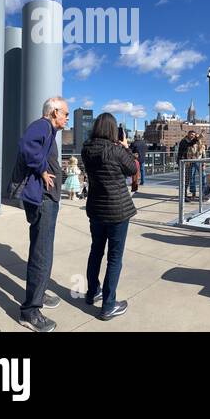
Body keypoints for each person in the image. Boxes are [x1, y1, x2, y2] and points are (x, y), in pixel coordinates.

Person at [11, 97, 69, 332]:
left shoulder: (49, 131)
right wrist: (43, 169)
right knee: (42, 253)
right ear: (54, 112)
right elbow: (26, 144)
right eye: (64, 113)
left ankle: (40, 292)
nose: (66, 117)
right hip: (42, 200)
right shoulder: (42, 125)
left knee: (43, 249)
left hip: (46, 199)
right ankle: (30, 312)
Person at [81, 113, 138, 321]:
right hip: (117, 210)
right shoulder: (115, 150)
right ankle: (108, 305)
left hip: (96, 209)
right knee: (114, 258)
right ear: (114, 130)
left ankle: (92, 292)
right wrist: (125, 146)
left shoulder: (86, 149)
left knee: (96, 250)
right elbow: (132, 169)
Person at [178, 130, 204, 200]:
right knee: (186, 179)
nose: (192, 136)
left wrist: (203, 162)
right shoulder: (184, 141)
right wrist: (198, 138)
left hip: (194, 161)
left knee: (201, 176)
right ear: (188, 134)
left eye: (194, 135)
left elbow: (202, 150)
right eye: (191, 134)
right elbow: (189, 144)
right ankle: (185, 195)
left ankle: (203, 193)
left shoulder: (196, 142)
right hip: (185, 162)